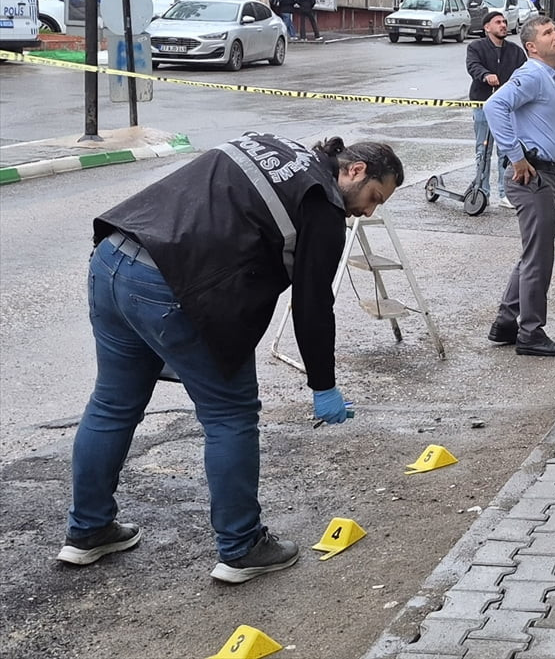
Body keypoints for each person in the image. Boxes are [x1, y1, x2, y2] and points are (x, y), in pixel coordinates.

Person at [56, 134, 403, 582]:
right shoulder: (322, 204)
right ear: (355, 170)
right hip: (171, 287)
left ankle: (88, 530)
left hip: (114, 257)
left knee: (112, 404)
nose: (369, 212)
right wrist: (324, 386)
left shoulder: (275, 144)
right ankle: (241, 547)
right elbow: (313, 305)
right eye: (374, 197)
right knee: (230, 415)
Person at [484, 15, 555, 357]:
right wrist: (516, 157)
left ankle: (506, 323)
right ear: (532, 47)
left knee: (532, 254)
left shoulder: (546, 76)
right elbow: (494, 106)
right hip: (532, 176)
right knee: (538, 259)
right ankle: (531, 332)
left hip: (542, 175)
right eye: (548, 33)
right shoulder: (533, 74)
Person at [466, 10, 527, 209]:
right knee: (483, 150)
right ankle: (482, 192)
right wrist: (486, 75)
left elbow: (524, 73)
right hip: (483, 105)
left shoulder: (515, 51)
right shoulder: (476, 47)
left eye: (504, 22)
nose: (503, 25)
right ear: (487, 27)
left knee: (507, 150)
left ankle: (506, 192)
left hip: (507, 108)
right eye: (498, 22)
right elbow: (473, 66)